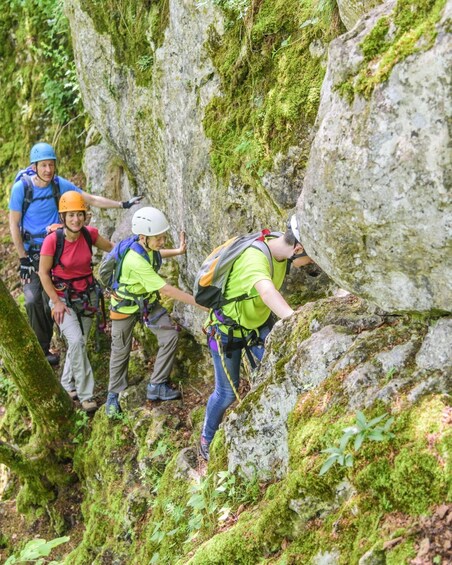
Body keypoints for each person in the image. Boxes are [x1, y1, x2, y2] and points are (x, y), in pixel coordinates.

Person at [9, 142, 142, 366]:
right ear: (35, 166)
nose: (48, 170)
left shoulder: (58, 185)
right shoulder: (21, 188)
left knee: (47, 298)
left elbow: (89, 199)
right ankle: (43, 349)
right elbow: (14, 224)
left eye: (51, 165)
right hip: (32, 254)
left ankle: (60, 342)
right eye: (43, 165)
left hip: (56, 249)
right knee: (32, 300)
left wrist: (123, 204)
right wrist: (22, 258)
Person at [199, 215, 314, 461]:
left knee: (273, 371)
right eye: (309, 254)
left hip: (257, 323)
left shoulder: (277, 244)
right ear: (299, 247)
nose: (307, 261)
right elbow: (266, 289)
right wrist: (295, 320)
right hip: (226, 331)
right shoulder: (254, 258)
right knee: (226, 393)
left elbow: (285, 272)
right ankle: (206, 438)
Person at [106, 206, 207, 416]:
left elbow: (155, 253)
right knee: (121, 349)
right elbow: (166, 289)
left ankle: (157, 385)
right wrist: (199, 303)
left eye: (162, 237)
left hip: (146, 303)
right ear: (143, 237)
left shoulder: (145, 248)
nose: (162, 241)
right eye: (158, 238)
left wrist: (178, 251)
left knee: (169, 335)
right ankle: (113, 396)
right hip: (125, 306)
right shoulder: (134, 260)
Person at [39, 191, 113, 412]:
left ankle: (66, 385)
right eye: (71, 215)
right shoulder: (53, 241)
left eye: (79, 214)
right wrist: (56, 301)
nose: (76, 219)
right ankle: (86, 395)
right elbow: (43, 273)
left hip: (87, 296)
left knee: (77, 342)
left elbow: (114, 249)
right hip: (62, 298)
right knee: (77, 341)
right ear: (63, 217)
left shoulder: (89, 235)